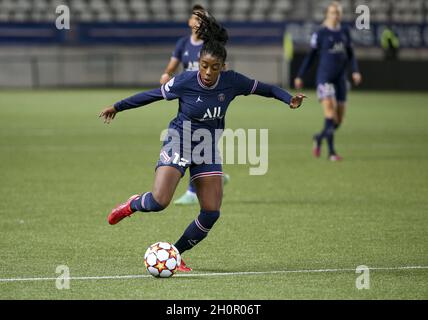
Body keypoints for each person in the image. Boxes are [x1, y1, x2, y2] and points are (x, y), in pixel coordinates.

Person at [99, 12, 306, 272]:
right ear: (198, 62)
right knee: (159, 202)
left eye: (214, 67)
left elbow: (267, 89)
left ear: (223, 67)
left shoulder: (232, 82)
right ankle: (132, 204)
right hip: (179, 141)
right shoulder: (186, 81)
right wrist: (118, 106)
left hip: (206, 148)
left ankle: (176, 253)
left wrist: (289, 99)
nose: (208, 72)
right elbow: (151, 95)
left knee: (211, 212)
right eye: (204, 65)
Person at [160, 4, 230, 206]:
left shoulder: (209, 46)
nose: (198, 22)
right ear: (189, 22)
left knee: (204, 142)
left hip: (210, 100)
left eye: (202, 19)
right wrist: (167, 74)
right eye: (195, 18)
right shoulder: (183, 43)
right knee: (193, 141)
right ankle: (214, 177)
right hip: (190, 96)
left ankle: (194, 189)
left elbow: (222, 69)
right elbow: (172, 66)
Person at [294, 1, 362, 161]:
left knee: (338, 120)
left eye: (338, 13)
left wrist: (355, 71)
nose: (335, 15)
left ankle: (318, 138)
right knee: (330, 113)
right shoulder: (321, 33)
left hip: (340, 79)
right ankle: (331, 152)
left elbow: (351, 54)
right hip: (324, 79)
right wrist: (300, 75)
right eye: (332, 12)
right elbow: (310, 57)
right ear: (327, 14)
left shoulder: (345, 32)